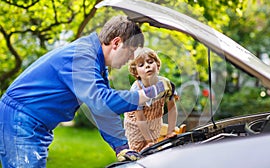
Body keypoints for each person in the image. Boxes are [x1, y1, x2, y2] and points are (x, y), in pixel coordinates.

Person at [0, 15, 173, 167]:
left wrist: (121, 147)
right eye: (131, 52)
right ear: (116, 43)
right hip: (21, 120)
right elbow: (101, 101)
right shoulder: (82, 56)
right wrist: (151, 92)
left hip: (32, 122)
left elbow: (102, 110)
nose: (131, 59)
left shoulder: (96, 63)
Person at [124, 47, 179, 152]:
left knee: (153, 150)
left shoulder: (166, 84)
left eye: (150, 62)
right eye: (141, 65)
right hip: (135, 123)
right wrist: (148, 141)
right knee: (139, 151)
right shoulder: (136, 90)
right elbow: (140, 119)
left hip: (154, 121)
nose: (147, 66)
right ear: (136, 73)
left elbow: (172, 108)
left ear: (157, 66)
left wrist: (170, 131)